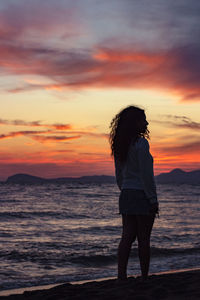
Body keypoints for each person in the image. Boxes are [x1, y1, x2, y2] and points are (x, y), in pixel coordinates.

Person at [109, 105, 159, 281]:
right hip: (141, 194)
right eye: (143, 119)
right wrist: (152, 199)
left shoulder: (120, 145)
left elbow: (118, 174)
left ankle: (121, 275)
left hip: (127, 194)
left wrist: (125, 189)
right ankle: (144, 276)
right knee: (144, 239)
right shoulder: (141, 144)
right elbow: (146, 175)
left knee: (127, 237)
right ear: (135, 123)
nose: (146, 122)